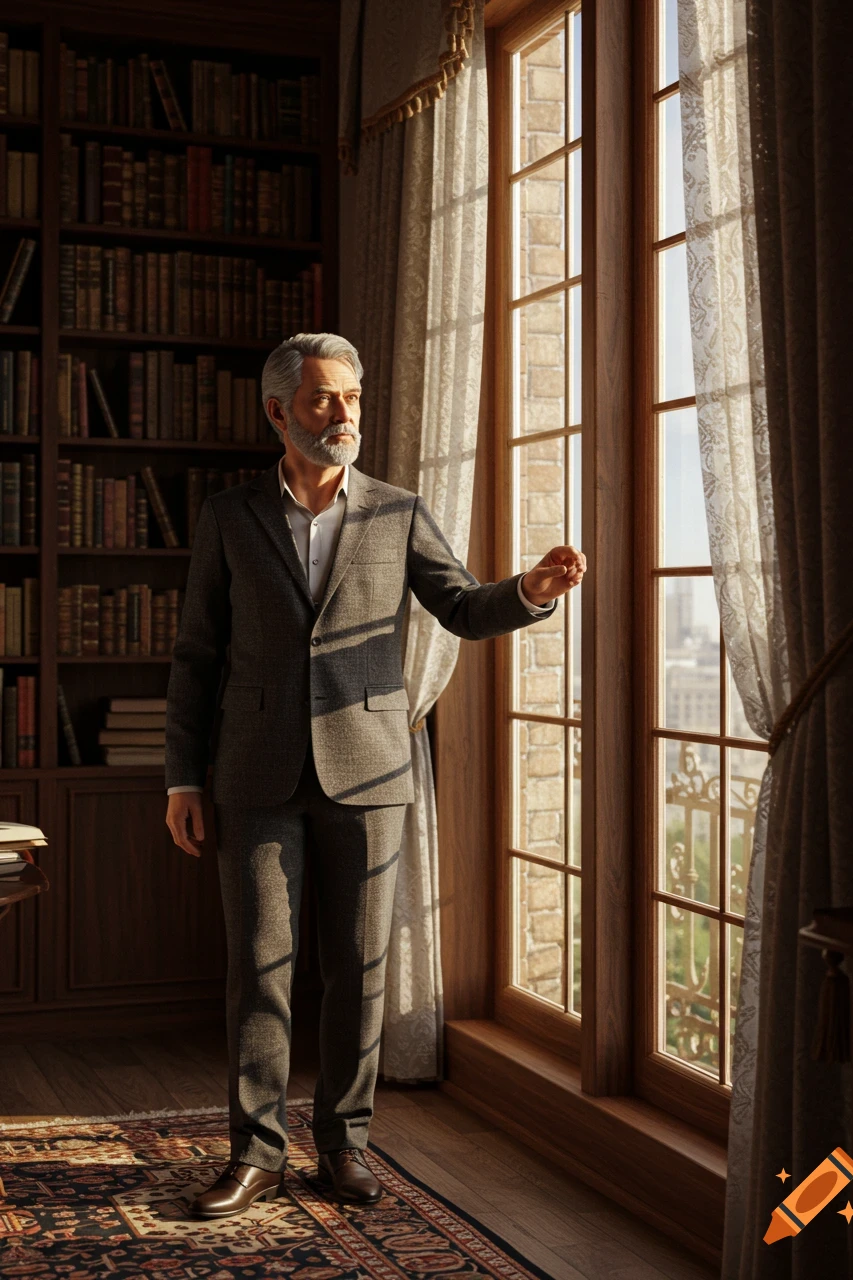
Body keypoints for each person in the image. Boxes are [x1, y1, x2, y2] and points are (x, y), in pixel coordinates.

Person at [164, 332, 585, 1218]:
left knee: (359, 968)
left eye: (352, 398)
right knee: (258, 969)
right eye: (323, 399)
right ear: (278, 411)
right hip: (253, 773)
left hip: (371, 771)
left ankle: (345, 1148)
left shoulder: (398, 511)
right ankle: (256, 1154)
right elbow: (197, 656)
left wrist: (534, 589)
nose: (343, 414)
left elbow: (463, 609)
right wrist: (182, 779)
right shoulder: (229, 517)